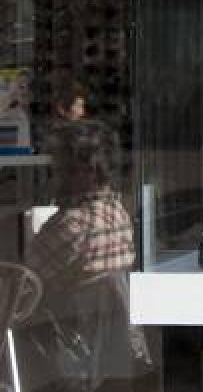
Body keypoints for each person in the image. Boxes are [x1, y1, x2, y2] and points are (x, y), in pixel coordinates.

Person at [23, 119, 150, 391]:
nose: (53, 174)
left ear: (85, 172)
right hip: (109, 356)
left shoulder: (71, 226)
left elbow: (22, 287)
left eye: (59, 167)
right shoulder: (118, 214)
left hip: (62, 356)